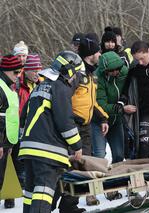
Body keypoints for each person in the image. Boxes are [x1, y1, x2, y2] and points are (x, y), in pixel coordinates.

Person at [19, 51, 84, 213]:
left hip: (29, 150)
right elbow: (65, 121)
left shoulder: (39, 87)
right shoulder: (60, 88)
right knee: (43, 193)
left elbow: (24, 118)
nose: (77, 79)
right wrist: (77, 146)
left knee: (31, 193)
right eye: (77, 74)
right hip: (46, 152)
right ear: (70, 72)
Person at [55, 33, 109, 212]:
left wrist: (102, 118)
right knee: (72, 167)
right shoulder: (77, 73)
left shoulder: (92, 74)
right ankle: (60, 204)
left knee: (82, 168)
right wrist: (68, 121)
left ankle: (71, 205)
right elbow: (63, 99)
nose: (100, 54)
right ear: (91, 53)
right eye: (98, 51)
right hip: (73, 126)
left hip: (85, 127)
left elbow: (91, 102)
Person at [92, 51, 135, 162]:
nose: (116, 72)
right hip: (99, 121)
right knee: (99, 155)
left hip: (116, 121)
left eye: (118, 69)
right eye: (112, 70)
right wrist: (121, 109)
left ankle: (120, 179)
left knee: (119, 155)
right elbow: (101, 105)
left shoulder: (124, 72)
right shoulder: (97, 78)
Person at [12, 54, 42, 190]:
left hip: (35, 128)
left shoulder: (41, 83)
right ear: (27, 70)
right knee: (19, 161)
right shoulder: (17, 84)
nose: (37, 73)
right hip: (18, 127)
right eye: (34, 70)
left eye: (39, 70)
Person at [0, 55, 23, 209]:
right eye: (15, 72)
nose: (18, 75)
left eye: (20, 72)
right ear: (6, 71)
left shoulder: (8, 86)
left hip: (9, 141)